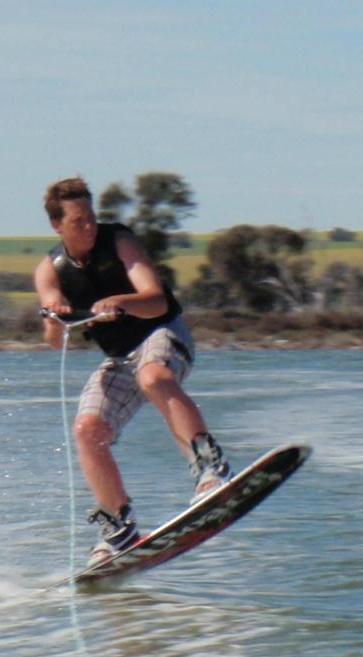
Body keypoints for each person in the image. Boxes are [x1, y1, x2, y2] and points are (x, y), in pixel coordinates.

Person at [33, 177, 231, 562]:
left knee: (153, 376)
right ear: (57, 225)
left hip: (162, 333)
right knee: (87, 430)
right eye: (77, 221)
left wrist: (120, 302)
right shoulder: (49, 270)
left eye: (91, 216)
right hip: (120, 357)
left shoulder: (119, 241)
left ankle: (210, 468)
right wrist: (54, 318)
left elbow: (156, 301)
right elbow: (54, 339)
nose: (89, 226)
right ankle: (119, 527)